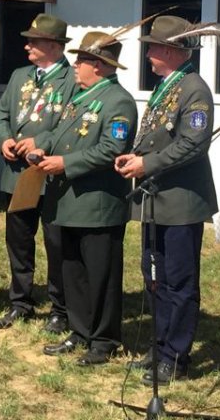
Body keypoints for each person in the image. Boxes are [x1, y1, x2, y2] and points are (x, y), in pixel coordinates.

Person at [115, 14, 220, 384]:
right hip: (155, 201)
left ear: (172, 50)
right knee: (154, 278)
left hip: (180, 203)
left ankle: (176, 356)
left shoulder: (194, 88)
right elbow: (157, 136)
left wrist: (147, 164)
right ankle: (159, 346)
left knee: (178, 281)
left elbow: (193, 144)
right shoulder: (169, 85)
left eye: (154, 49)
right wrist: (136, 158)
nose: (149, 56)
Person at [31, 30, 137, 366]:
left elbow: (112, 149)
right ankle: (79, 331)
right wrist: (41, 144)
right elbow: (62, 133)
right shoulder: (81, 96)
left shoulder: (117, 101)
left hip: (97, 204)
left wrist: (65, 163)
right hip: (68, 202)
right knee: (72, 270)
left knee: (100, 274)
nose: (75, 66)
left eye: (82, 61)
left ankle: (103, 340)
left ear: (100, 66)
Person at [0, 13, 75, 334]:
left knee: (56, 244)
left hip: (51, 176)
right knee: (19, 241)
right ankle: (20, 303)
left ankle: (59, 309)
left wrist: (39, 142)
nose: (27, 46)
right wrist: (5, 139)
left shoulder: (71, 80)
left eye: (34, 41)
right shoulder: (20, 75)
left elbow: (69, 124)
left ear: (53, 46)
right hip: (17, 175)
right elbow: (0, 114)